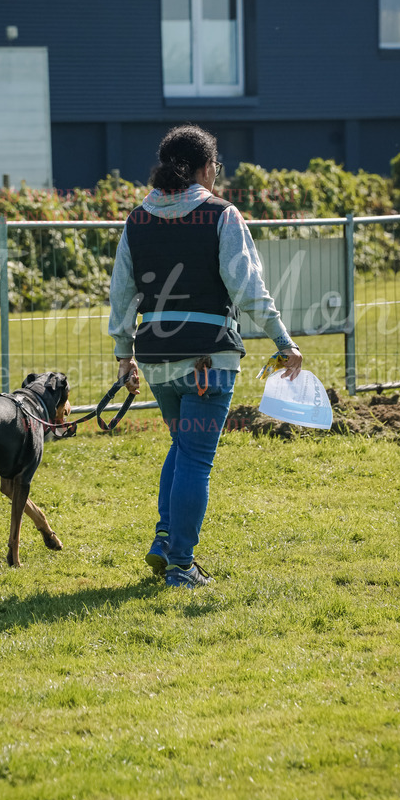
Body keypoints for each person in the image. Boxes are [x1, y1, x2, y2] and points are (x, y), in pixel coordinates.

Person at [108, 125, 302, 588]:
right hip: (208, 358)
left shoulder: (137, 218)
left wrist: (124, 355)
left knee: (182, 446)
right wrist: (283, 341)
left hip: (156, 357)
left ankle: (164, 540)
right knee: (196, 458)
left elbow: (121, 295)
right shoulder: (222, 214)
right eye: (216, 166)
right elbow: (247, 287)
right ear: (204, 168)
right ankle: (181, 564)